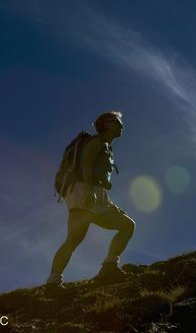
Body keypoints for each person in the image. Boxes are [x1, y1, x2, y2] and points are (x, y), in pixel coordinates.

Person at [45, 111, 136, 292]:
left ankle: (109, 267)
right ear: (105, 124)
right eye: (116, 122)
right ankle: (53, 283)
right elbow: (86, 163)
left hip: (96, 192)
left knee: (127, 225)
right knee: (74, 238)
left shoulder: (106, 146)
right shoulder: (97, 142)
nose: (121, 125)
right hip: (83, 190)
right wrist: (88, 191)